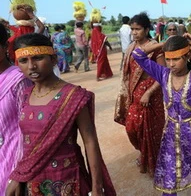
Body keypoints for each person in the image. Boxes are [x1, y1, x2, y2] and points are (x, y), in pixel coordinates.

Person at [6, 33, 116, 196]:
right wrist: (18, 176)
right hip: (32, 181)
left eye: (38, 58)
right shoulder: (25, 96)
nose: (31, 66)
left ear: (54, 59)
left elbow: (90, 142)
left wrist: (97, 187)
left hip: (67, 180)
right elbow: (25, 143)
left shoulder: (73, 96)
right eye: (24, 61)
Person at [131, 35, 191, 196]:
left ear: (188, 56)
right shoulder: (163, 74)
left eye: (176, 59)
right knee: (170, 171)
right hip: (170, 134)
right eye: (168, 59)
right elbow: (138, 54)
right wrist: (164, 43)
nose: (171, 64)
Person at [114, 12, 165, 177]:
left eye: (138, 29)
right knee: (132, 129)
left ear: (147, 29)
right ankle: (143, 153)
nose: (134, 32)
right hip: (134, 95)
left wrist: (149, 93)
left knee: (149, 131)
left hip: (150, 96)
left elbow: (164, 75)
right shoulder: (131, 47)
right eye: (132, 29)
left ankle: (152, 161)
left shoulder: (155, 48)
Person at [0, 24, 32, 195]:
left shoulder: (19, 80)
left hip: (15, 161)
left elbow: (29, 129)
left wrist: (18, 174)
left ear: (5, 47)